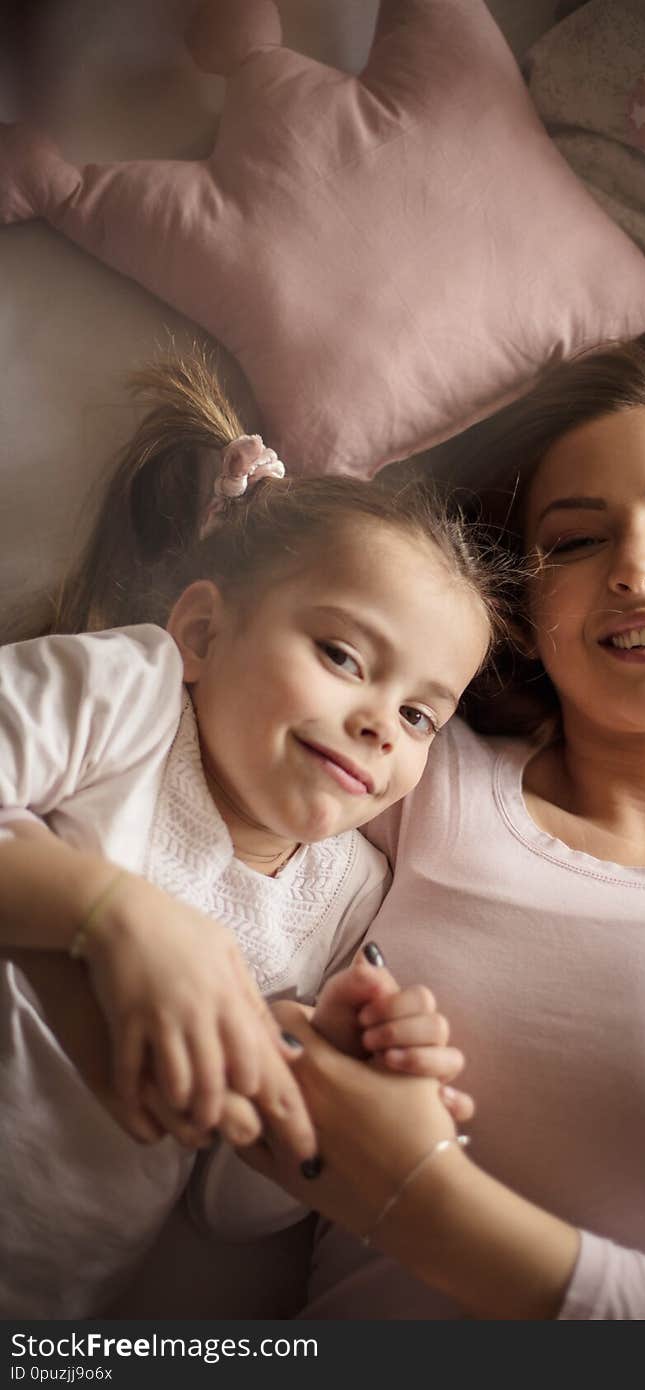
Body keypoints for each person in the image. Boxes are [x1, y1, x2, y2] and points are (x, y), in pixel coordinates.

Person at [210, 317, 645, 1319]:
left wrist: (425, 1204)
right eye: (573, 539)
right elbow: (226, 1198)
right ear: (529, 609)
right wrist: (290, 1077)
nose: (636, 565)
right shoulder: (394, 773)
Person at [0, 349, 507, 1318]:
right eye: (342, 654)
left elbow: (229, 1208)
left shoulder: (346, 892)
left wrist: (330, 1085)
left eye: (418, 717)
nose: (377, 722)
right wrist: (111, 914)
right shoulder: (129, 699)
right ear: (202, 632)